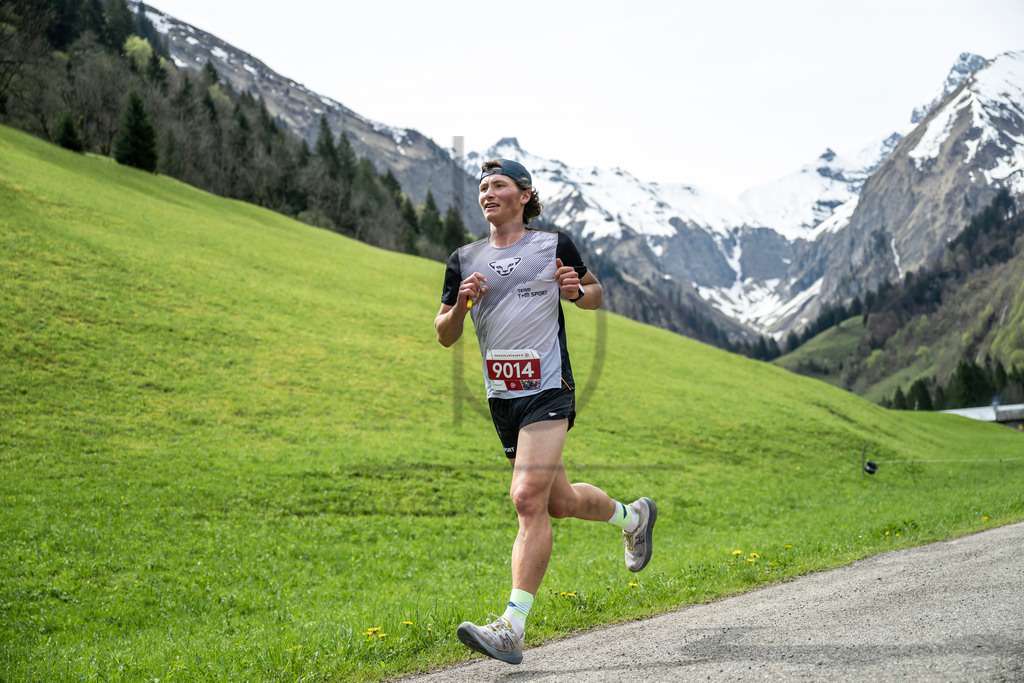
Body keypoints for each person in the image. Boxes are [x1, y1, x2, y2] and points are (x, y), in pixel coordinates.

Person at [434, 158, 657, 665]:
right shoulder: (464, 258)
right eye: (483, 187)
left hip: (549, 387)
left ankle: (512, 626)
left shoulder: (552, 244)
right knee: (558, 502)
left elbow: (595, 294)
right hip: (502, 398)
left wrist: (574, 291)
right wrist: (461, 306)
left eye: (499, 185)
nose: (488, 193)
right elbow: (444, 334)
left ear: (524, 195)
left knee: (526, 497)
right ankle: (632, 517)